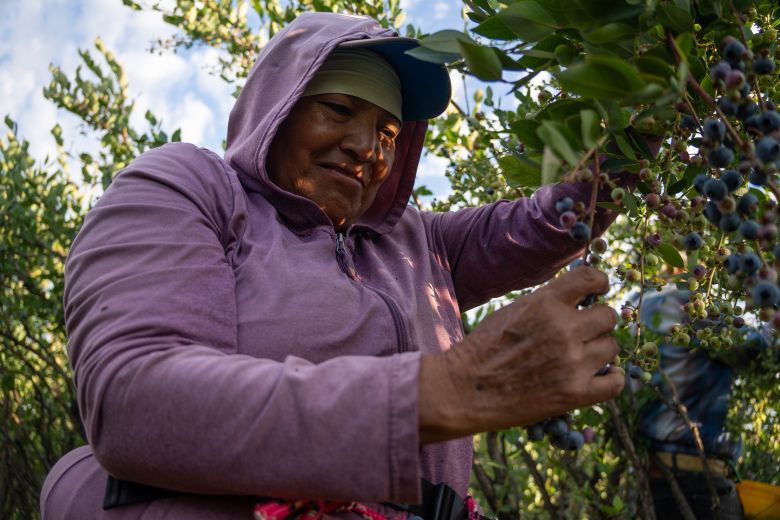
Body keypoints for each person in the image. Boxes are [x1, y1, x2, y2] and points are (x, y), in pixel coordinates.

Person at [40, 11, 627, 520]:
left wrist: (649, 118)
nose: (367, 148)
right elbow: (137, 398)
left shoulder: (417, 243)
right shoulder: (194, 188)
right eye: (340, 109)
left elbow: (551, 219)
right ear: (280, 107)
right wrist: (446, 391)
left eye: (388, 132)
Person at [635, 289, 769, 519]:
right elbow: (759, 350)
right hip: (700, 485)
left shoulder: (637, 306)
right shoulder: (689, 304)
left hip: (654, 478)